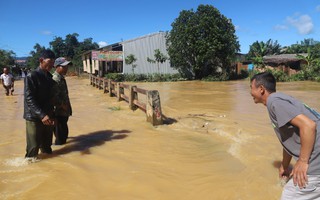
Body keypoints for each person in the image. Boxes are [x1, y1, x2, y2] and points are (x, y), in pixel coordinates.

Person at [250, 72, 320, 199]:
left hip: (316, 163)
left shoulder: (274, 102)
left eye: (251, 87)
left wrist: (303, 161)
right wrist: (285, 166)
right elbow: (288, 137)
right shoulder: (280, 99)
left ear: (261, 89)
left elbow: (309, 126)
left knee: (289, 195)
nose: (250, 92)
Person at [23, 49, 56, 159]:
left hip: (48, 115)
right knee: (33, 148)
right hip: (34, 117)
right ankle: (30, 168)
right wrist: (42, 115)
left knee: (47, 147)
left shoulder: (49, 77)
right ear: (41, 60)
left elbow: (50, 98)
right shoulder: (32, 76)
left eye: (53, 63)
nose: (51, 65)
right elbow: (29, 99)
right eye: (49, 62)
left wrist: (52, 114)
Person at [52, 57, 72, 145]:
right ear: (57, 67)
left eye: (67, 66)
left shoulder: (61, 78)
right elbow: (53, 96)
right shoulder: (55, 79)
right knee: (60, 135)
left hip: (63, 111)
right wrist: (62, 105)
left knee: (63, 132)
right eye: (64, 67)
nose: (66, 68)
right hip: (58, 111)